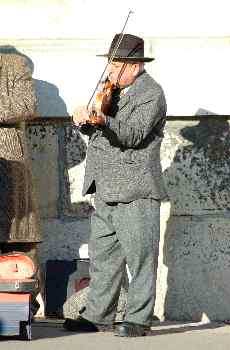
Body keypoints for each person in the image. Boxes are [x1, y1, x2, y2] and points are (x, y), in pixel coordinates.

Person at [64, 33, 167, 337]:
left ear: (135, 66)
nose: (110, 72)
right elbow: (99, 134)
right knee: (103, 258)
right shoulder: (115, 91)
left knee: (141, 257)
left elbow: (133, 135)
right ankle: (97, 315)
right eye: (110, 65)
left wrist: (103, 121)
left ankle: (138, 318)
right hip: (105, 186)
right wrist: (84, 121)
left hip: (135, 189)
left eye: (117, 66)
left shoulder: (151, 93)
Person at [0, 46, 43, 316]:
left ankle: (18, 308)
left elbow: (27, 105)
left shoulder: (14, 64)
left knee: (17, 236)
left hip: (8, 158)